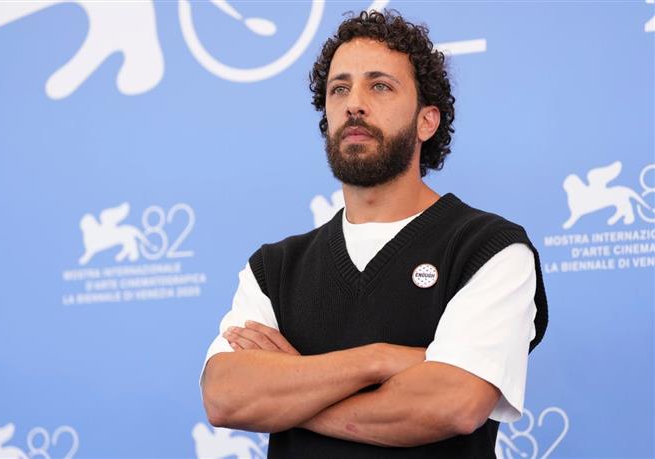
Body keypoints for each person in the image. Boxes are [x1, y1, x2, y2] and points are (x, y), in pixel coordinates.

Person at [201, 10, 548, 458]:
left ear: (427, 121)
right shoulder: (274, 268)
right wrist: (379, 359)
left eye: (380, 86)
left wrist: (289, 394)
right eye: (339, 89)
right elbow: (226, 396)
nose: (354, 104)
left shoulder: (489, 249)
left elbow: (453, 404)